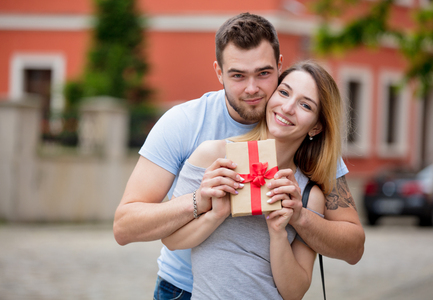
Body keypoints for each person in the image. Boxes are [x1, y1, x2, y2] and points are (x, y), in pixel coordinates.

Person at [113, 13, 365, 299]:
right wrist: (201, 202)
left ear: (279, 67)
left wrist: (300, 219)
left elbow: (353, 246)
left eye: (264, 73)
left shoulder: (309, 147)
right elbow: (125, 226)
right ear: (219, 73)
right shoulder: (188, 125)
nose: (252, 88)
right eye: (237, 75)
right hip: (182, 289)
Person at [162, 61, 342, 299]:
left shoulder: (307, 195)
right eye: (284, 92)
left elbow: (295, 292)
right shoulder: (214, 158)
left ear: (316, 127)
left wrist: (279, 231)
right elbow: (171, 240)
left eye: (305, 105)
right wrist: (215, 213)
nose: (287, 107)